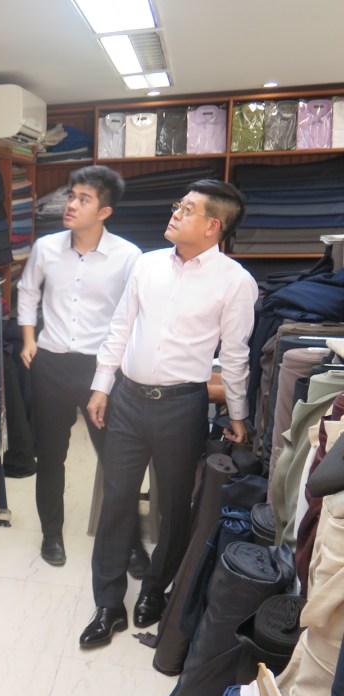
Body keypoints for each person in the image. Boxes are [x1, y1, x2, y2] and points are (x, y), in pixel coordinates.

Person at [79, 179, 258, 648]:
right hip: (127, 400)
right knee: (117, 501)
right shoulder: (147, 264)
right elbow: (120, 326)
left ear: (213, 226)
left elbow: (235, 355)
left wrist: (238, 415)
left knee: (176, 507)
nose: (176, 212)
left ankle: (154, 591)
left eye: (188, 209)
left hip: (182, 406)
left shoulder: (236, 282)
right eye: (178, 204)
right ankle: (108, 604)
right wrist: (101, 385)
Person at [17, 165, 144, 569]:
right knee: (50, 455)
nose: (70, 205)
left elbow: (133, 315)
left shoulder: (128, 257)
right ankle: (51, 534)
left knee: (116, 459)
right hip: (51, 364)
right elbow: (27, 291)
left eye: (83, 199)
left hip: (100, 369)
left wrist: (117, 367)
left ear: (104, 211)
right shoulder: (46, 247)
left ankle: (131, 543)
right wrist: (29, 338)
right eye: (71, 196)